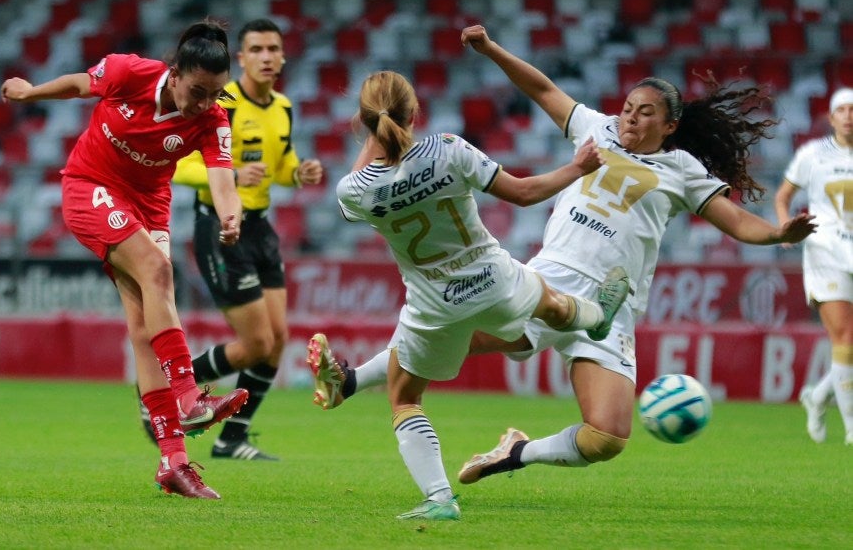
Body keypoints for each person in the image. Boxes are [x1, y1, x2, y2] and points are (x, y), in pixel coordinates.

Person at [309, 26, 817, 490]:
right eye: (628, 107)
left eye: (645, 112)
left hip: (614, 307)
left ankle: (517, 452)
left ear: (671, 124)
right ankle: (350, 381)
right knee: (454, 335)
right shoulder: (596, 130)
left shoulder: (682, 170)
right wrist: (491, 51)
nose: (631, 117)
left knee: (608, 438)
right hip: (553, 280)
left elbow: (733, 220)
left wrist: (775, 233)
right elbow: (544, 90)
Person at [309, 70, 633, 521]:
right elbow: (521, 194)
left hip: (435, 304)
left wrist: (372, 133)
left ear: (362, 122)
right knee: (554, 305)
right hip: (496, 280)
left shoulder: (355, 190)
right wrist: (577, 168)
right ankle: (595, 316)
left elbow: (362, 176)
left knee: (406, 398)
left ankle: (439, 498)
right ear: (414, 111)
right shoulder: (448, 148)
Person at [0, 20, 250, 500]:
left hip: (149, 203)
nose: (203, 103)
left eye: (214, 94)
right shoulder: (129, 72)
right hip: (89, 185)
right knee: (158, 271)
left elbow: (223, 177)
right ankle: (189, 396)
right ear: (174, 74)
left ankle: (173, 461)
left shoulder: (213, 118)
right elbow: (78, 84)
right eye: (197, 90)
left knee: (143, 327)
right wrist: (31, 94)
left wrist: (230, 216)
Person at [141, 18, 322, 461]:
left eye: (272, 49)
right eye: (256, 49)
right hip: (220, 228)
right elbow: (178, 165)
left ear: (282, 57)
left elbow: (280, 165)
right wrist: (231, 175)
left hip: (259, 227)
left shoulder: (283, 106)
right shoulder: (218, 100)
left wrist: (298, 173)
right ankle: (167, 392)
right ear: (240, 58)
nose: (265, 56)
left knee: (276, 340)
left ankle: (232, 438)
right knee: (257, 344)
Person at [775, 86, 853, 446]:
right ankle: (852, 427)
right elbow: (784, 196)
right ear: (833, 117)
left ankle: (819, 395)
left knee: (849, 345)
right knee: (845, 338)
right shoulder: (812, 155)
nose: (849, 116)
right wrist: (783, 227)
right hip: (824, 250)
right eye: (843, 110)